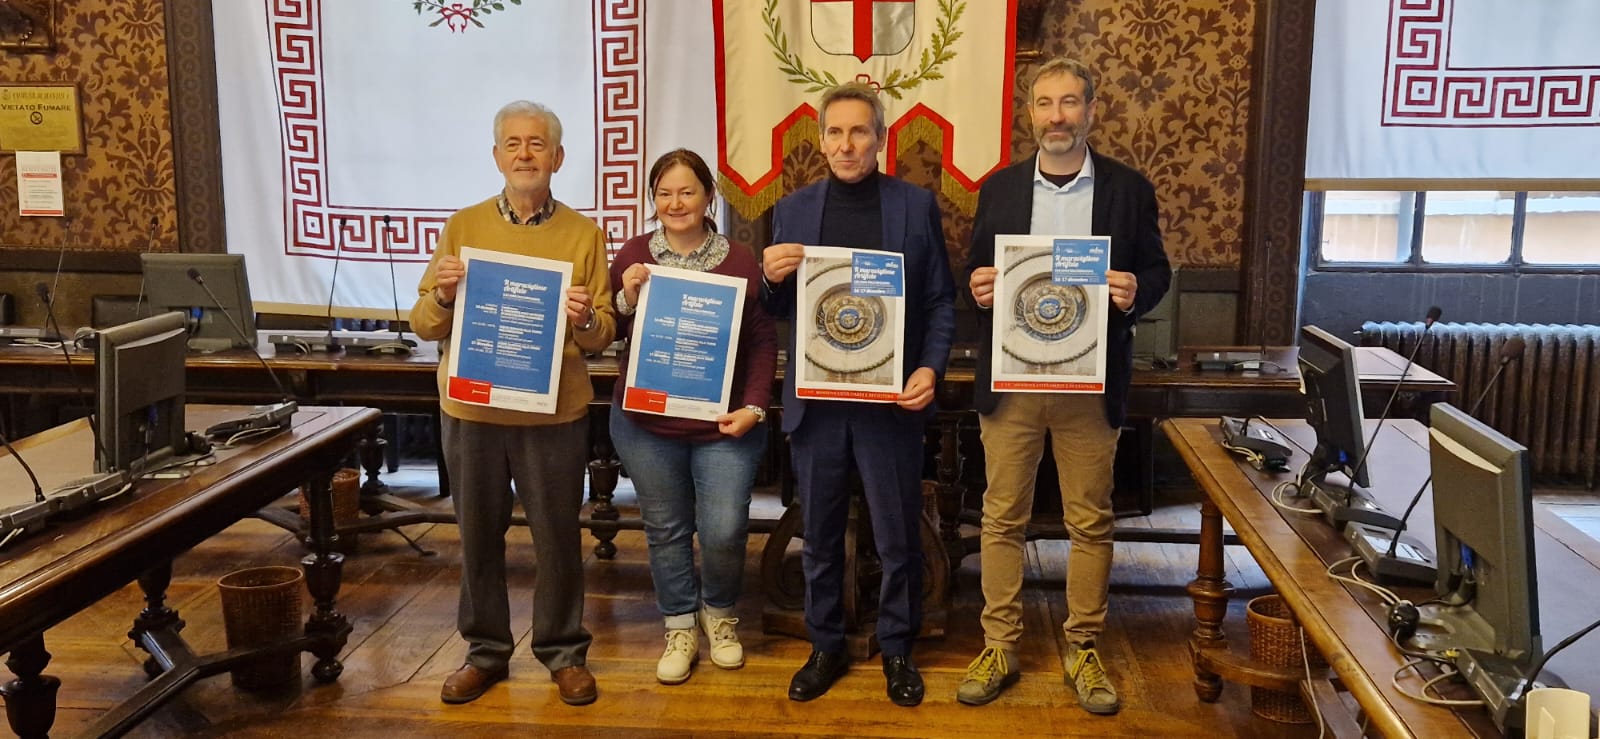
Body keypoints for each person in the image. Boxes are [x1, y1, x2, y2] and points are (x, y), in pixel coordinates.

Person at [957, 57, 1171, 715]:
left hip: (1089, 381)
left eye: (1070, 102)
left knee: (1090, 520)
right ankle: (1000, 645)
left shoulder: (1129, 190)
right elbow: (975, 271)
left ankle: (1083, 645)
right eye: (1045, 103)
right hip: (1013, 381)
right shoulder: (998, 189)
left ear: (1091, 110)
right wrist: (977, 287)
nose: (1057, 116)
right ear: (1030, 113)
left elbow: (1157, 272)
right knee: (1001, 516)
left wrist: (1135, 291)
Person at [409, 99, 615, 707]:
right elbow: (423, 323)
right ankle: (485, 652)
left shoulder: (584, 234)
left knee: (558, 537)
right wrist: (444, 296)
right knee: (477, 536)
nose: (525, 154)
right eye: (514, 144)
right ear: (497, 156)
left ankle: (563, 651)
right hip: (472, 412)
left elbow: (602, 334)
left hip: (554, 415)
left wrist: (585, 319)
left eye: (537, 144)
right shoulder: (462, 226)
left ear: (558, 157)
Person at [760, 81, 956, 707]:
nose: (847, 144)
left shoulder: (915, 205)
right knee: (819, 536)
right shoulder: (792, 210)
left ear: (880, 139)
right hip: (817, 405)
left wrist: (930, 368)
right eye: (835, 132)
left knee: (897, 537)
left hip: (890, 403)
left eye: (859, 132)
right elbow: (777, 308)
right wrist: (770, 278)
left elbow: (939, 300)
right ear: (821, 141)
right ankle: (825, 645)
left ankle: (897, 647)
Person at [608, 148, 778, 685]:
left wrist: (754, 406)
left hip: (724, 423)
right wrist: (626, 295)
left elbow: (762, 340)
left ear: (708, 196)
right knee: (666, 528)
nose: (675, 203)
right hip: (646, 424)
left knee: (724, 528)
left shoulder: (740, 260)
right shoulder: (634, 254)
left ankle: (720, 615)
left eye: (687, 191)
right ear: (652, 199)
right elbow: (608, 328)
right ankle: (680, 624)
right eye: (664, 193)